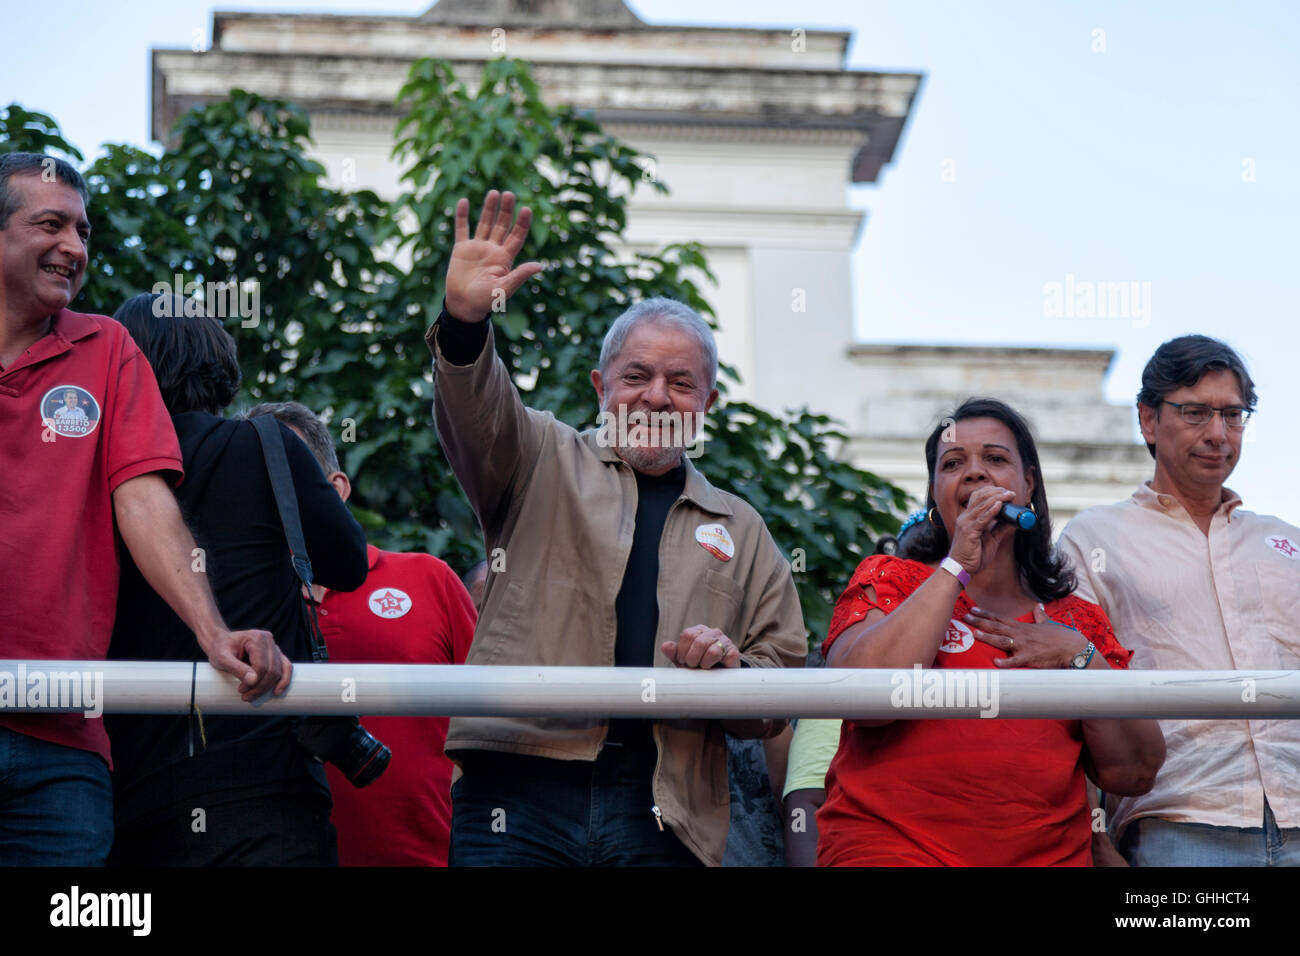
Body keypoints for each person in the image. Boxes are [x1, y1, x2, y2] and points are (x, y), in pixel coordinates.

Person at [429, 190, 806, 867]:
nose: (657, 395)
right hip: (517, 785)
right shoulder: (539, 454)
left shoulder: (743, 529)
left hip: (668, 809)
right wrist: (464, 322)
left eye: (681, 382)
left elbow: (777, 690)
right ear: (603, 385)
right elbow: (474, 409)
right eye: (637, 375)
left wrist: (731, 668)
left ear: (708, 403)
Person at [0, 154, 288, 866]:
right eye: (50, 224)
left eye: (84, 230)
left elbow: (142, 498)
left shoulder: (107, 348)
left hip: (59, 740)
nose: (75, 247)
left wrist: (213, 633)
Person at [817, 398, 1165, 866]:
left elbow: (1135, 771)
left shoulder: (1076, 620)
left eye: (996, 459)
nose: (975, 473)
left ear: (1028, 485)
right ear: (936, 494)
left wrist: (1082, 657)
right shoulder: (889, 579)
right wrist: (957, 566)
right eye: (953, 464)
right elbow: (860, 698)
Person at [105, 293, 368, 866]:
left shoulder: (101, 475)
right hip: (265, 786)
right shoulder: (267, 446)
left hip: (136, 793)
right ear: (217, 358)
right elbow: (349, 562)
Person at [1059, 335, 1300, 866]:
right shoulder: (1094, 539)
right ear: (1148, 420)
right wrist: (1094, 841)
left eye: (1233, 415)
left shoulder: (1286, 542)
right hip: (1179, 822)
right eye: (1194, 413)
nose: (1218, 434)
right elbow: (1066, 702)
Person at [246, 400, 478, 867]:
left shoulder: (427, 578)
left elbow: (494, 725)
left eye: (285, 474)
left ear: (335, 488)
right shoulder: (226, 611)